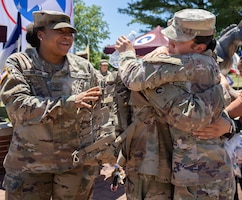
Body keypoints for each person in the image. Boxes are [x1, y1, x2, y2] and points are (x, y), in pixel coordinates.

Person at [114, 8, 235, 199]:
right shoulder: (211, 63)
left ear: (199, 47)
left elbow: (133, 78)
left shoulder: (182, 63)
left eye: (177, 40)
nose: (169, 43)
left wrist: (127, 54)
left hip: (192, 176)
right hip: (216, 169)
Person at [0, 10, 103, 200]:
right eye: (59, 31)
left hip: (74, 165)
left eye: (70, 32)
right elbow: (18, 105)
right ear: (41, 34)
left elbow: (104, 104)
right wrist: (69, 104)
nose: (67, 36)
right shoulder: (19, 63)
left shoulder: (84, 68)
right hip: (29, 166)